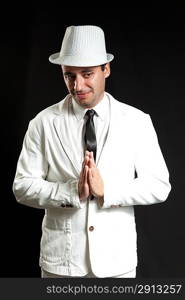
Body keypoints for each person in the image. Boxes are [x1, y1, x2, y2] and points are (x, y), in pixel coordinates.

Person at [13, 25, 171, 278]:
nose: (78, 85)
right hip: (60, 265)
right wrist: (70, 190)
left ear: (105, 69)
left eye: (87, 74)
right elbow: (21, 187)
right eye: (69, 76)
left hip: (117, 263)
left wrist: (106, 191)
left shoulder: (136, 121)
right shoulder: (42, 123)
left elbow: (159, 185)